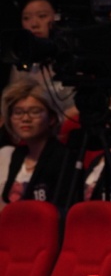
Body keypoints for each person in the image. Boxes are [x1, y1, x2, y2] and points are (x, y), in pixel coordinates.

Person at [0, 79, 69, 211]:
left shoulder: (64, 157)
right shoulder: (16, 155)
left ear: (51, 118)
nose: (25, 119)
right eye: (18, 112)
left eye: (35, 111)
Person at [9, 0, 77, 118]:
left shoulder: (73, 58)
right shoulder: (21, 62)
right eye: (26, 18)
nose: (34, 24)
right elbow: (11, 106)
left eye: (42, 16)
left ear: (57, 17)